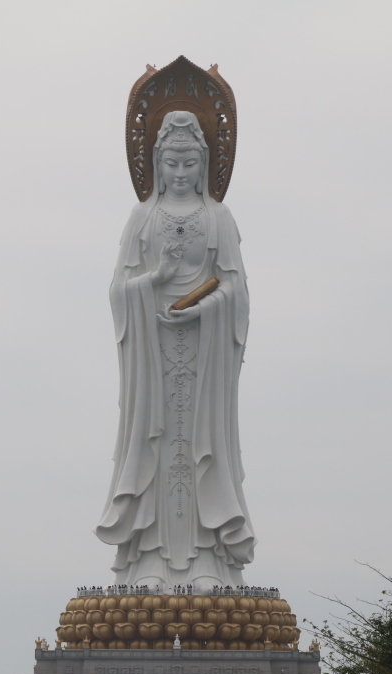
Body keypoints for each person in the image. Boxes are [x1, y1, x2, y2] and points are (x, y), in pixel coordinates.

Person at [95, 111, 256, 590]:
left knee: (201, 444)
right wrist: (158, 280)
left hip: (205, 358)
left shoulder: (218, 217)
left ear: (203, 164)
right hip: (153, 354)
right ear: (156, 164)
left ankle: (208, 558)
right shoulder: (142, 217)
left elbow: (237, 290)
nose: (181, 174)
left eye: (189, 163)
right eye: (171, 163)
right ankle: (147, 561)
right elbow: (119, 288)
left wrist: (207, 308)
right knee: (156, 445)